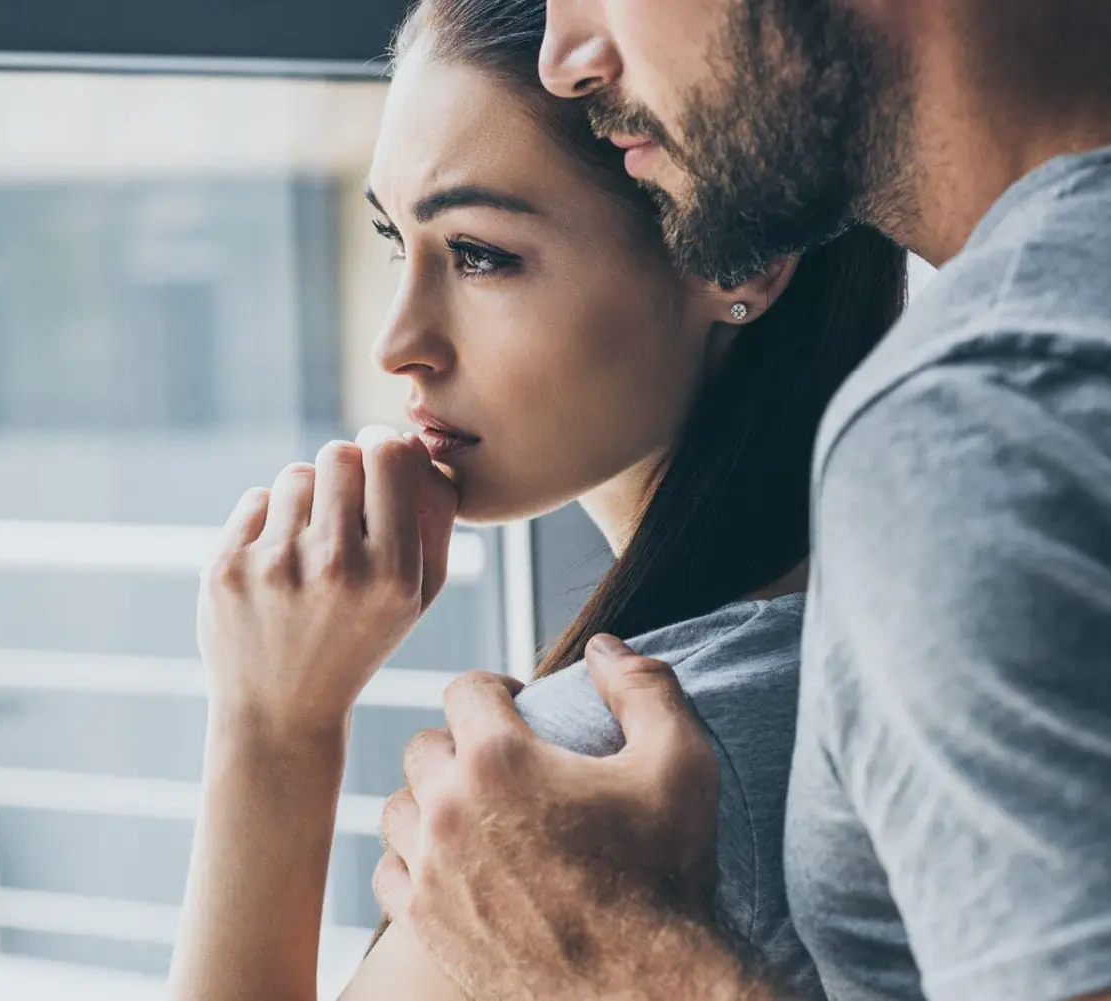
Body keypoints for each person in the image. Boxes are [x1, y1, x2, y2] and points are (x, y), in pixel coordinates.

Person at [165, 0, 905, 998]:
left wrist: (270, 728)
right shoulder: (881, 625)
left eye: (480, 255)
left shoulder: (612, 768)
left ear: (740, 259)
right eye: (398, 242)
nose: (398, 342)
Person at [373, 1, 1111, 1000]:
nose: (567, 55)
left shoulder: (976, 423)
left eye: (481, 252)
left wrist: (622, 961)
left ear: (744, 276)